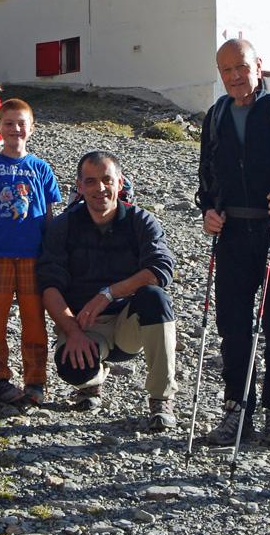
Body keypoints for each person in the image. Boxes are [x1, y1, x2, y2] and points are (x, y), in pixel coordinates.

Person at [195, 39, 270, 446]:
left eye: (241, 67)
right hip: (232, 234)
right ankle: (236, 410)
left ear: (259, 66)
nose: (235, 76)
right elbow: (207, 174)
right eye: (226, 70)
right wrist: (208, 209)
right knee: (233, 326)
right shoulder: (217, 115)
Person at [37, 151, 178, 431]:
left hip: (129, 323)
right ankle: (92, 383)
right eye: (90, 181)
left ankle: (161, 399)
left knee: (155, 297)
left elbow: (161, 269)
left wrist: (108, 294)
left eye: (106, 180)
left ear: (120, 182)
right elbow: (49, 286)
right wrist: (73, 332)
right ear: (79, 187)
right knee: (71, 367)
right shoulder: (64, 226)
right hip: (84, 325)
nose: (99, 188)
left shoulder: (141, 221)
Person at [0, 99, 61, 405]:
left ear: (31, 128)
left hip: (33, 257)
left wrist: (51, 253)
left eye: (21, 123)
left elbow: (48, 216)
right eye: (8, 123)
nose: (15, 129)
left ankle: (35, 380)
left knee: (34, 320)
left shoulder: (41, 168)